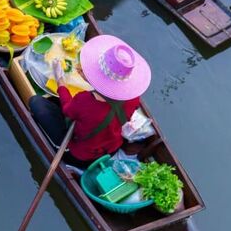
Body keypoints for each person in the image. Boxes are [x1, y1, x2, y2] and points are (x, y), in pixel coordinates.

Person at [29, 35, 150, 168]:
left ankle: (62, 150)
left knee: (36, 103)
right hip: (111, 147)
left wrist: (60, 82)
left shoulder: (84, 100)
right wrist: (88, 78)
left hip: (80, 155)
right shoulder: (133, 97)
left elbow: (67, 110)